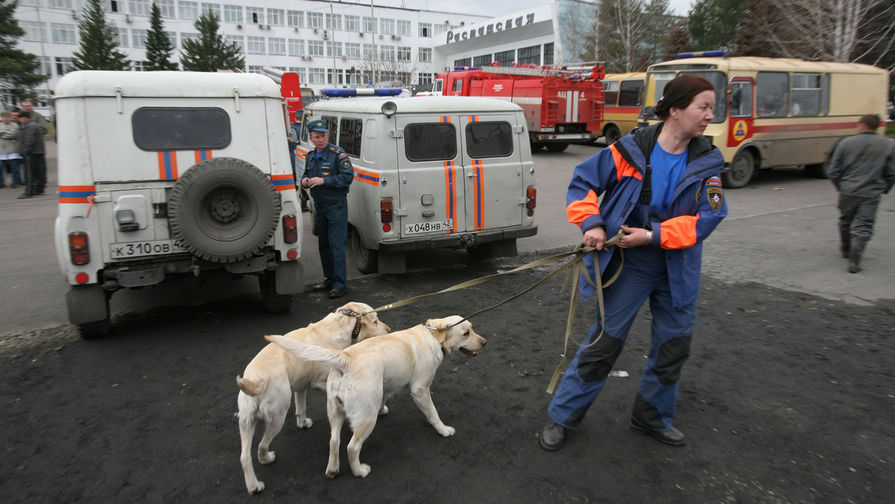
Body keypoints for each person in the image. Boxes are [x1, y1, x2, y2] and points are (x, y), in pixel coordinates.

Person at [539, 74, 728, 450]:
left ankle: (651, 418)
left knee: (673, 347)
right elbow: (582, 184)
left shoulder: (708, 161)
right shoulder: (629, 150)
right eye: (703, 107)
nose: (710, 115)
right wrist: (591, 223)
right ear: (676, 109)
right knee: (603, 344)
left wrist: (653, 236)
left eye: (712, 107)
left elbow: (708, 218)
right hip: (629, 266)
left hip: (679, 269)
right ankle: (563, 417)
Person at [827, 114, 895, 273]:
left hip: (848, 190)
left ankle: (846, 248)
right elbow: (892, 172)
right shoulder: (889, 144)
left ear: (862, 125)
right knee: (865, 225)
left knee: (845, 221)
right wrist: (885, 187)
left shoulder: (845, 143)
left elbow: (833, 170)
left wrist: (840, 186)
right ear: (877, 126)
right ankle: (855, 259)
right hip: (871, 192)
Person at [301, 119, 354, 299]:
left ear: (327, 136)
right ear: (311, 138)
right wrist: (304, 181)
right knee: (323, 244)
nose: (321, 139)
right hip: (320, 206)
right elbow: (306, 174)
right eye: (317, 137)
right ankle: (329, 279)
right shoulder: (310, 156)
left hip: (336, 206)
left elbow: (347, 177)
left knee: (337, 246)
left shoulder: (337, 154)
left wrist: (325, 180)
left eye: (323, 136)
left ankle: (340, 285)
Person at [16, 111, 46, 199]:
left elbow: (29, 140)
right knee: (38, 173)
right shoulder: (34, 125)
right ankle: (38, 189)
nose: (20, 121)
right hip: (37, 152)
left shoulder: (30, 126)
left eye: (20, 119)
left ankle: (29, 191)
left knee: (29, 174)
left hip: (32, 153)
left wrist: (25, 151)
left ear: (24, 118)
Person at [0, 111, 22, 188]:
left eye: (8, 117)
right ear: (2, 118)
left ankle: (15, 182)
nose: (6, 119)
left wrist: (3, 134)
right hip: (1, 150)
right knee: (0, 168)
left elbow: (13, 134)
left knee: (14, 167)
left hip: (12, 149)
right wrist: (7, 132)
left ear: (10, 118)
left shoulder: (15, 125)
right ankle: (1, 183)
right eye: (5, 117)